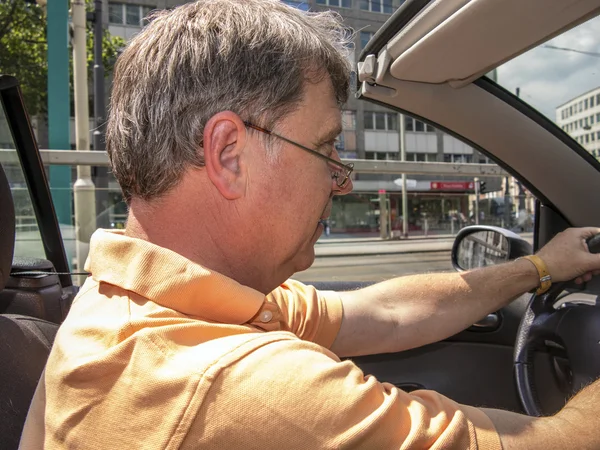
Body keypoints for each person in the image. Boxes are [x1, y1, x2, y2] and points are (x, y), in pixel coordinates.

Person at [20, 1, 600, 448]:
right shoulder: (241, 386)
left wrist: (540, 267)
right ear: (228, 154)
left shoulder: (138, 304)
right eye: (325, 150)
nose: (338, 180)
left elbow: (384, 314)